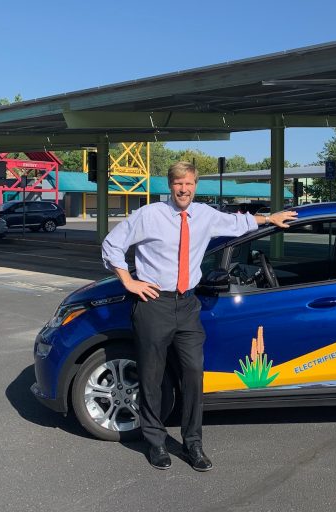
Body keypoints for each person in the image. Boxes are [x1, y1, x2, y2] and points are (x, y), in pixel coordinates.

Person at [101, 161, 297, 471]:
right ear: (171, 185)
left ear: (195, 185)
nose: (184, 189)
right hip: (154, 304)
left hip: (188, 306)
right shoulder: (149, 215)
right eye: (179, 183)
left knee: (194, 373)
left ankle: (193, 443)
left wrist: (269, 218)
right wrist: (128, 281)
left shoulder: (204, 215)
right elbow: (112, 245)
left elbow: (238, 223)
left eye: (189, 184)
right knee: (152, 376)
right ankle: (155, 443)